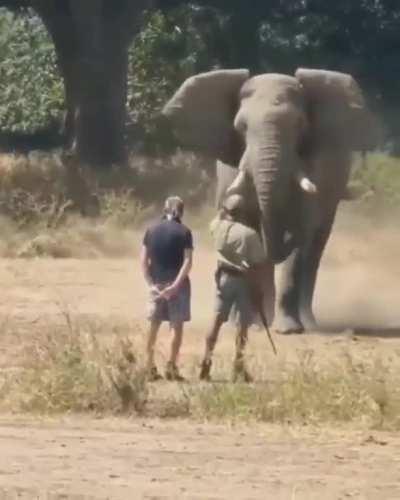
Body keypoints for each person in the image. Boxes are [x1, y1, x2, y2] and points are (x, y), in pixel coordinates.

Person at [199, 194, 271, 383]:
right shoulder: (248, 234)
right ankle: (238, 367)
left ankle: (206, 362)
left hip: (222, 278)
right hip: (243, 280)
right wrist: (259, 289)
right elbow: (259, 263)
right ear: (243, 212)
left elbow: (216, 217)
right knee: (242, 325)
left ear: (226, 210)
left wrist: (224, 208)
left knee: (216, 320)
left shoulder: (216, 227)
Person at [141, 196, 193, 381]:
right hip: (177, 286)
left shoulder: (151, 229)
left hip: (156, 283)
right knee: (175, 326)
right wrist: (175, 286)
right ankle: (171, 367)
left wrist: (150, 285)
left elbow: (143, 261)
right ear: (181, 211)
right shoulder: (185, 232)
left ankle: (148, 366)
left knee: (154, 325)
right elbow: (187, 262)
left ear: (164, 210)